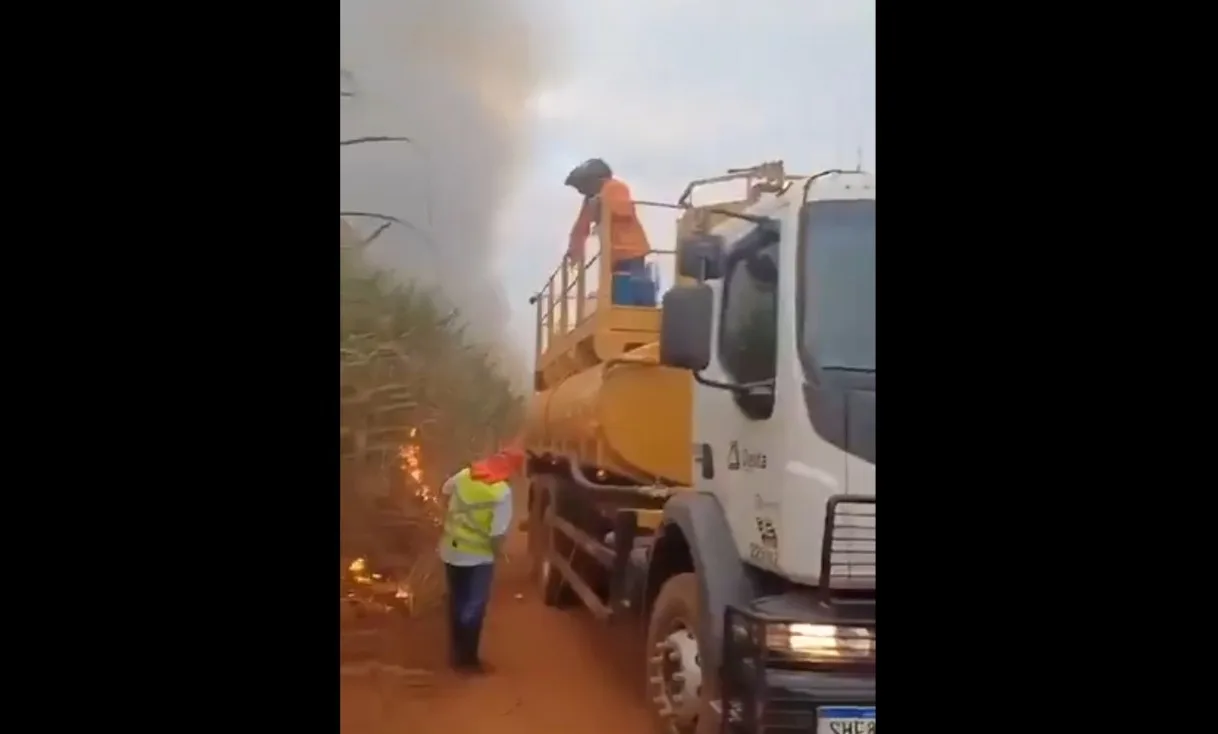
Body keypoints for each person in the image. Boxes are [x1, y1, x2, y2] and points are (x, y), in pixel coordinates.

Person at [437, 446, 523, 674]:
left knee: (456, 601)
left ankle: (455, 655)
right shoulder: (501, 492)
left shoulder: (464, 475)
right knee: (474, 607)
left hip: (450, 551)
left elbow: (444, 492)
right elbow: (496, 534)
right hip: (477, 557)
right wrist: (497, 553)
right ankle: (468, 661)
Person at [564, 158, 652, 283]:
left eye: (583, 185)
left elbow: (623, 210)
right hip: (614, 254)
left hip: (631, 251)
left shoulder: (615, 187)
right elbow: (581, 226)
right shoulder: (591, 199)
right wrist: (574, 250)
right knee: (615, 290)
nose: (581, 191)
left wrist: (600, 202)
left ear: (596, 180)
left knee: (628, 291)